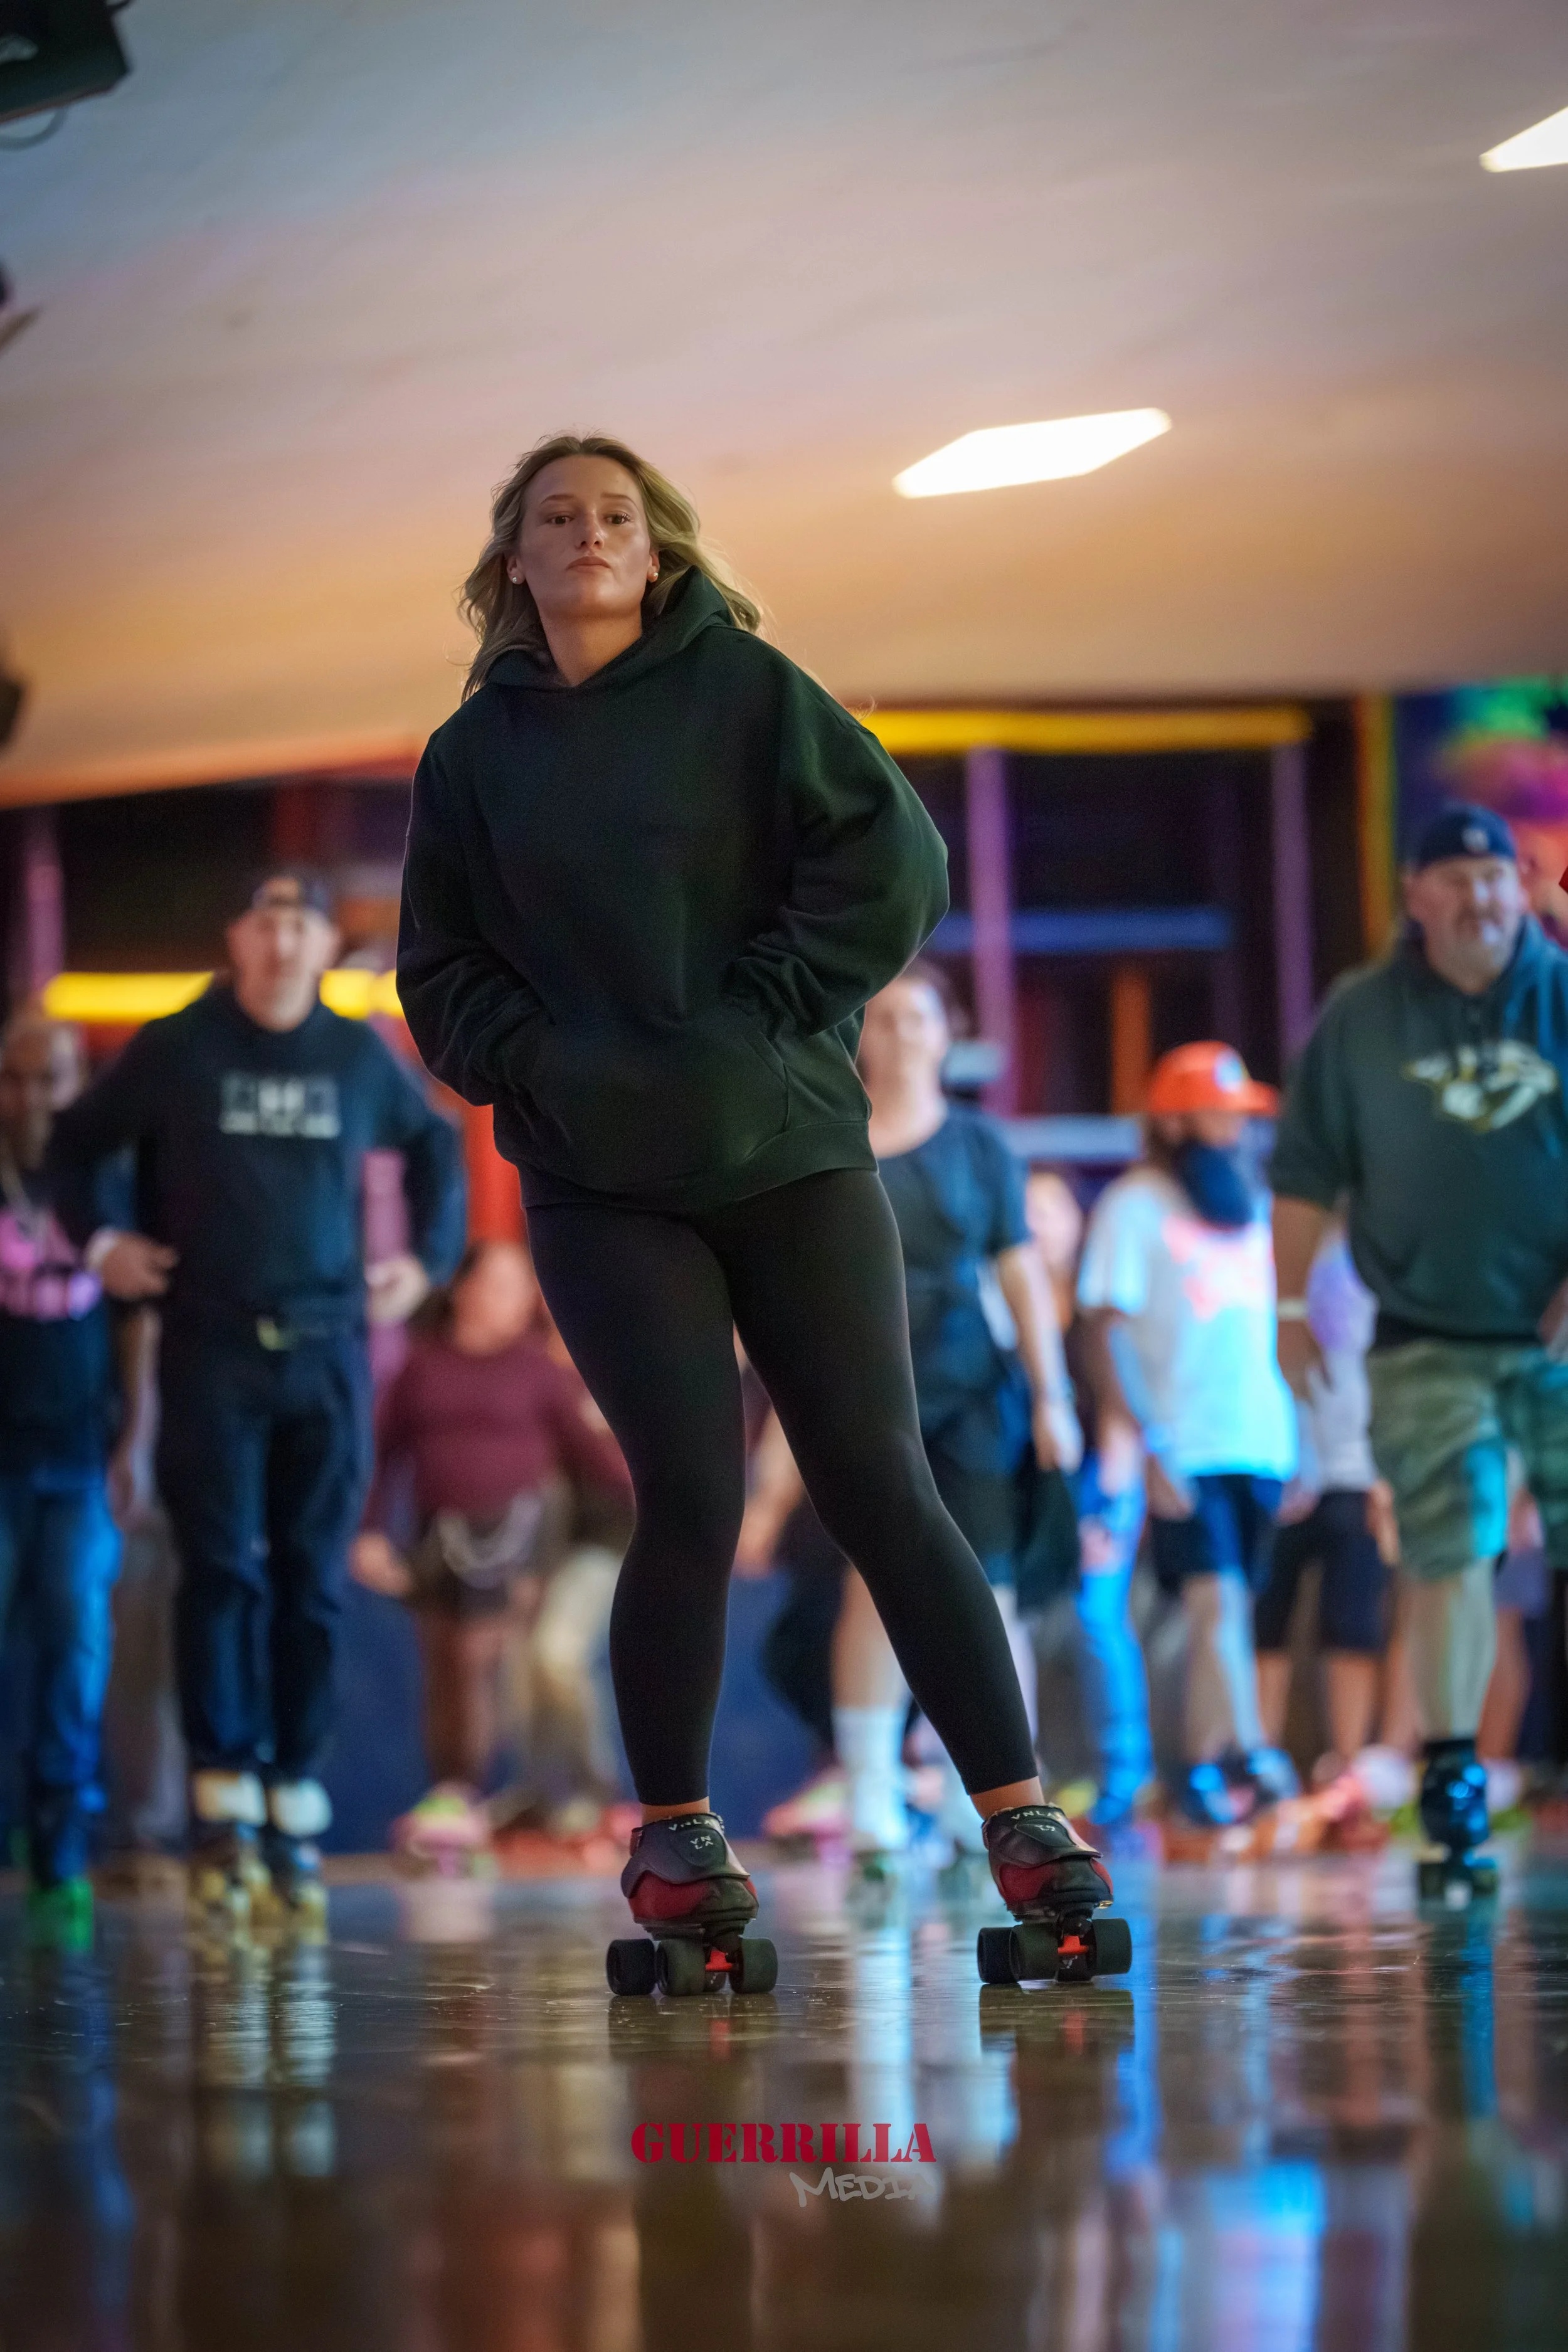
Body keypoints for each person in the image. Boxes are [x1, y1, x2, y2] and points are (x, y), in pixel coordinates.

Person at [396, 431, 1115, 1974]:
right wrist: (549, 1064)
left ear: (656, 549)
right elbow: (439, 973)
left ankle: (1018, 1816)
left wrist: (773, 1003)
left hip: (788, 1148)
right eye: (556, 517)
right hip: (599, 1178)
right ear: (514, 560)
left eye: (616, 515)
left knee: (878, 1477)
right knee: (691, 1493)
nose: (590, 534)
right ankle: (674, 1837)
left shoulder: (747, 688)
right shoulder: (473, 755)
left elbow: (897, 858)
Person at [48, 869, 466, 1919]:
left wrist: (423, 1263)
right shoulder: (179, 1045)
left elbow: (437, 1145)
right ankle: (222, 1806)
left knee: (312, 1582)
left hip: (326, 1351)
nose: (283, 941)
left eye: (302, 924)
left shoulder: (353, 1054)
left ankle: (291, 1804)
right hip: (211, 1348)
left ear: (324, 946)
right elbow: (73, 1145)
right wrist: (100, 1245)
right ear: (236, 937)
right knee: (221, 1571)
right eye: (266, 922)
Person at [1272, 802, 1568, 1878]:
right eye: (1455, 878)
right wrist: (1290, 1309)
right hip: (1424, 1335)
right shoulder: (1361, 1016)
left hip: (1559, 1332)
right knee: (1448, 1557)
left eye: (1496, 878)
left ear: (1522, 887)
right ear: (1416, 895)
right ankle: (1452, 1779)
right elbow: (1304, 1172)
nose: (1479, 896)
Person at [1076, 1042, 1298, 1827]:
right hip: (1185, 1441)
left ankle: (1206, 1772)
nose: (1234, 1129)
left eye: (1240, 1116)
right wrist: (1150, 1442)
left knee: (1228, 1608)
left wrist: (1297, 1437)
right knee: (1216, 1601)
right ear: (1172, 1122)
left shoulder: (1253, 1203)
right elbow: (1105, 1330)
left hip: (1259, 1439)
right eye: (1217, 1113)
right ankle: (1249, 1755)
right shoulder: (1133, 1205)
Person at [350, 1237, 630, 1858]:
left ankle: (528, 1790)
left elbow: (597, 1461)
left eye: (522, 1288)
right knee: (446, 1665)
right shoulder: (421, 1368)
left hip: (517, 1544)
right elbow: (382, 1455)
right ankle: (453, 1792)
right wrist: (369, 1533)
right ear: (465, 1290)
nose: (515, 1300)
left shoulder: (539, 1372)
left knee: (496, 1658)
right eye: (501, 1285)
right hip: (437, 1543)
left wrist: (672, 1504)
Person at [0, 1014, 154, 1941]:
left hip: (81, 1456)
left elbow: (140, 1318)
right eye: (14, 1078)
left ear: (76, 1083)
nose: (32, 1097)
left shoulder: (105, 1177)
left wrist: (137, 1439)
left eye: (49, 1078)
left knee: (74, 1645)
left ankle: (59, 1848)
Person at [1025, 1167, 1155, 1833]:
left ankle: (1125, 1778)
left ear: (1079, 1222)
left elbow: (1119, 1410)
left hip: (1101, 1481)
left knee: (1097, 1618)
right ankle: (1030, 1779)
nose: (1037, 1223)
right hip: (1035, 1486)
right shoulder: (1010, 1305)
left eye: (1051, 1208)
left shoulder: (1092, 1310)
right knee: (1019, 1625)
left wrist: (1105, 1507)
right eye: (1027, 1209)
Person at [1253, 1225, 1392, 1780]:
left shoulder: (1380, 1253)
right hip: (1276, 1464)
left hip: (1358, 1469)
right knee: (1264, 1622)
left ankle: (1346, 1772)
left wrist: (1386, 1472)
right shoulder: (1261, 1245)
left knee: (1353, 1624)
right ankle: (1261, 1768)